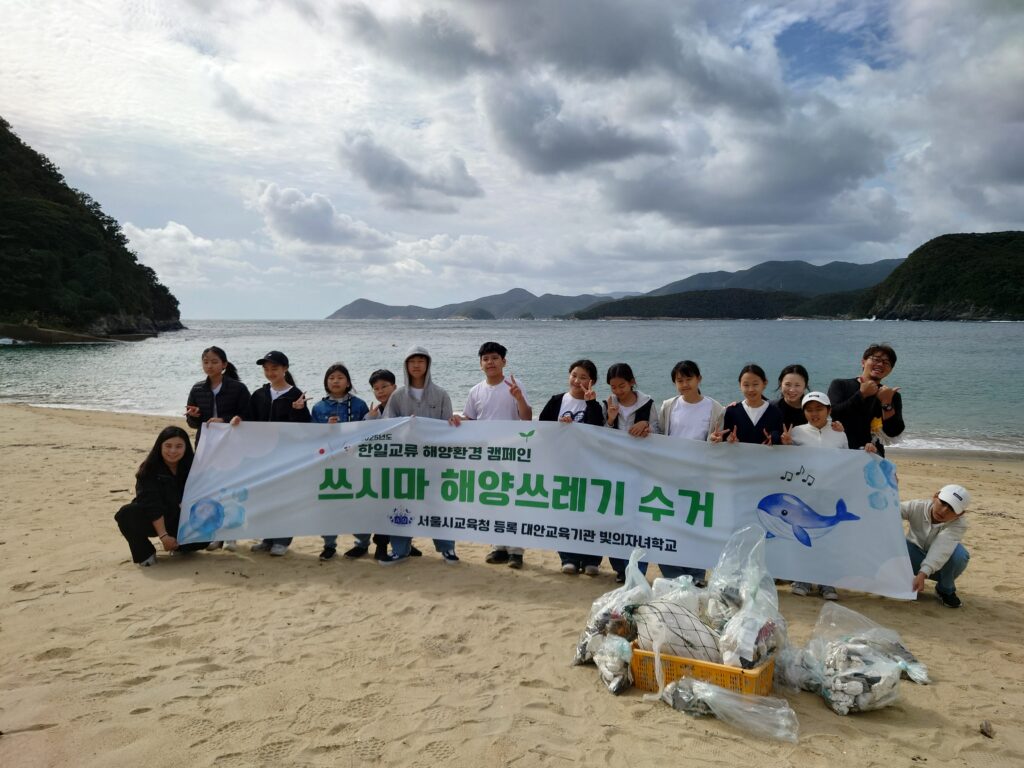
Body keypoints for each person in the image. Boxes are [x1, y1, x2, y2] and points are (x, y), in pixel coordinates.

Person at [379, 345, 460, 565]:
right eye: (412, 361)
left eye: (421, 361)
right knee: (402, 504)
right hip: (405, 462)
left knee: (438, 503)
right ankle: (400, 550)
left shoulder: (441, 394)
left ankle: (447, 548)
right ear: (406, 365)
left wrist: (454, 421)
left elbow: (447, 428)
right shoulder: (397, 396)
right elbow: (388, 426)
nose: (416, 365)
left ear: (428, 364)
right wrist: (405, 426)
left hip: (434, 461)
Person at [231, 350, 311, 556]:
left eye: (274, 368)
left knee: (283, 497)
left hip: (285, 456)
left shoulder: (295, 394)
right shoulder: (260, 394)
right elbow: (249, 418)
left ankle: (282, 541)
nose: (270, 372)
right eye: (266, 369)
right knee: (264, 496)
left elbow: (304, 428)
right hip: (261, 455)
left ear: (285, 369)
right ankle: (267, 538)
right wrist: (239, 419)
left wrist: (299, 410)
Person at [461, 342, 532, 569]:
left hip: (512, 451)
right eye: (485, 359)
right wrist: (456, 421)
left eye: (494, 358)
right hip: (486, 453)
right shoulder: (476, 390)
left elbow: (527, 418)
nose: (490, 362)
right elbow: (470, 420)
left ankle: (516, 551)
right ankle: (498, 546)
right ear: (480, 364)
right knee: (492, 498)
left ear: (504, 361)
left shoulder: (514, 385)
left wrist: (519, 398)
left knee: (513, 499)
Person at [656, 360, 725, 585]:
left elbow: (719, 442)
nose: (684, 384)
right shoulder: (668, 406)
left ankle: (696, 574)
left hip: (699, 477)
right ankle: (673, 573)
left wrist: (715, 441)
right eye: (679, 380)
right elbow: (658, 435)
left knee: (695, 525)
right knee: (668, 524)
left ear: (699, 379)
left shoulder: (715, 408)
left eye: (689, 379)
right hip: (670, 475)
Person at [539, 359, 604, 575]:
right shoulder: (557, 401)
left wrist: (591, 403)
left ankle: (592, 560)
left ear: (592, 381)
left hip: (589, 467)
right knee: (565, 512)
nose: (577, 381)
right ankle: (569, 558)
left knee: (591, 513)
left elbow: (598, 432)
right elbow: (542, 428)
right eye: (574, 375)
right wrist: (559, 426)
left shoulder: (596, 405)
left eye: (583, 377)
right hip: (562, 465)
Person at [781, 391, 848, 600]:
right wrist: (786, 445)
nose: (814, 413)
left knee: (828, 540)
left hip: (830, 495)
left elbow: (848, 461)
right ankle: (802, 579)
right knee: (803, 537)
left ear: (829, 410)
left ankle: (827, 583)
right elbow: (787, 463)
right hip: (804, 497)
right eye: (809, 410)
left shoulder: (839, 433)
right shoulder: (797, 432)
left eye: (819, 409)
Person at [185, 345, 250, 552]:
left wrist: (225, 419)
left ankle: (231, 536)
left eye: (214, 362)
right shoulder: (197, 389)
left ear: (224, 364)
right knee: (211, 490)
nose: (209, 365)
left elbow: (248, 415)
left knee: (230, 489)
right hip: (206, 447)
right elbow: (192, 423)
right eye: (205, 362)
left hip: (232, 446)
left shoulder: (238, 388)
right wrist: (194, 416)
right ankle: (215, 535)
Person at [114, 426, 208, 566]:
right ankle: (146, 553)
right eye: (168, 446)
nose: (173, 451)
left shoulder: (194, 468)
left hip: (179, 519)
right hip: (152, 518)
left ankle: (180, 547)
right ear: (160, 446)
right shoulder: (149, 469)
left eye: (179, 446)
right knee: (126, 514)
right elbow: (151, 505)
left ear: (186, 448)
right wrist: (164, 536)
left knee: (203, 537)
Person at [603, 363, 659, 582]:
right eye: (613, 387)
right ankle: (620, 569)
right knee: (615, 519)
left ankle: (637, 570)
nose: (618, 391)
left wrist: (647, 427)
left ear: (632, 382)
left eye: (622, 386)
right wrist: (610, 419)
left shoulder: (648, 403)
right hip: (614, 470)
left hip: (640, 471)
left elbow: (659, 433)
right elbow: (598, 436)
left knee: (639, 521)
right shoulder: (608, 404)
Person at [311, 363, 370, 561]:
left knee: (357, 504)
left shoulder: (359, 405)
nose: (335, 381)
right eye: (331, 378)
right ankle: (329, 545)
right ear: (326, 382)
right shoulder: (318, 407)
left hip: (354, 463)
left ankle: (362, 544)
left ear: (348, 382)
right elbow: (312, 436)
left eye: (340, 377)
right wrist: (325, 428)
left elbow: (368, 433)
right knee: (328, 505)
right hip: (328, 464)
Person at [902, 484, 971, 608]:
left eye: (952, 509)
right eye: (943, 503)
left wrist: (923, 574)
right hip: (912, 554)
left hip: (939, 565)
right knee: (896, 542)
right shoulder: (916, 506)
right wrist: (889, 488)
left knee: (960, 555)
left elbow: (941, 548)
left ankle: (944, 589)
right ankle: (903, 580)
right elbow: (888, 511)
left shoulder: (959, 524)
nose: (944, 511)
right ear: (935, 496)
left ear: (960, 514)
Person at [827, 344, 904, 455]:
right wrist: (861, 394)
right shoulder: (840, 384)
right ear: (863, 362)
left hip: (873, 454)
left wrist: (886, 403)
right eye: (876, 359)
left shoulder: (891, 395)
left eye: (886, 362)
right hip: (841, 450)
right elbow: (834, 413)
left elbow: (893, 431)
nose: (880, 364)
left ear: (890, 369)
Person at [356, 369, 400, 560]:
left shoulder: (402, 408)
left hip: (400, 467)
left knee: (401, 506)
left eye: (384, 387)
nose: (380, 391)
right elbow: (362, 438)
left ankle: (404, 544)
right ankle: (380, 546)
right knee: (380, 507)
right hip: (379, 468)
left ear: (395, 387)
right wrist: (369, 419)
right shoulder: (374, 413)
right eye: (376, 388)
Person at [713, 364, 784, 446]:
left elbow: (779, 438)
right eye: (746, 385)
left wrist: (774, 439)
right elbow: (725, 438)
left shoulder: (775, 412)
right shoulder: (732, 412)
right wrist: (727, 440)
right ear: (740, 385)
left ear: (764, 384)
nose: (751, 389)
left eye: (755, 384)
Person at [773, 364, 810, 429]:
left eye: (797, 385)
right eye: (788, 384)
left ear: (805, 386)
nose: (792, 390)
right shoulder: (771, 408)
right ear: (780, 384)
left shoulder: (812, 409)